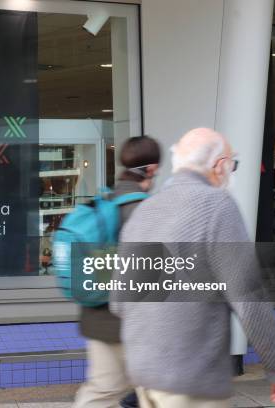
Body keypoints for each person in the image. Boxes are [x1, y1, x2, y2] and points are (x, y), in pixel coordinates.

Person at [112, 128, 275, 408]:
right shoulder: (216, 206)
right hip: (191, 380)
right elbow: (248, 296)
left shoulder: (146, 210)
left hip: (144, 377)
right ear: (220, 165)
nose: (231, 172)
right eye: (232, 164)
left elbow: (119, 301)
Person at [74, 136, 160, 408]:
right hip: (131, 323)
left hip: (96, 317)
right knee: (157, 393)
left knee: (101, 392)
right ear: (153, 169)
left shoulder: (104, 201)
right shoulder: (143, 209)